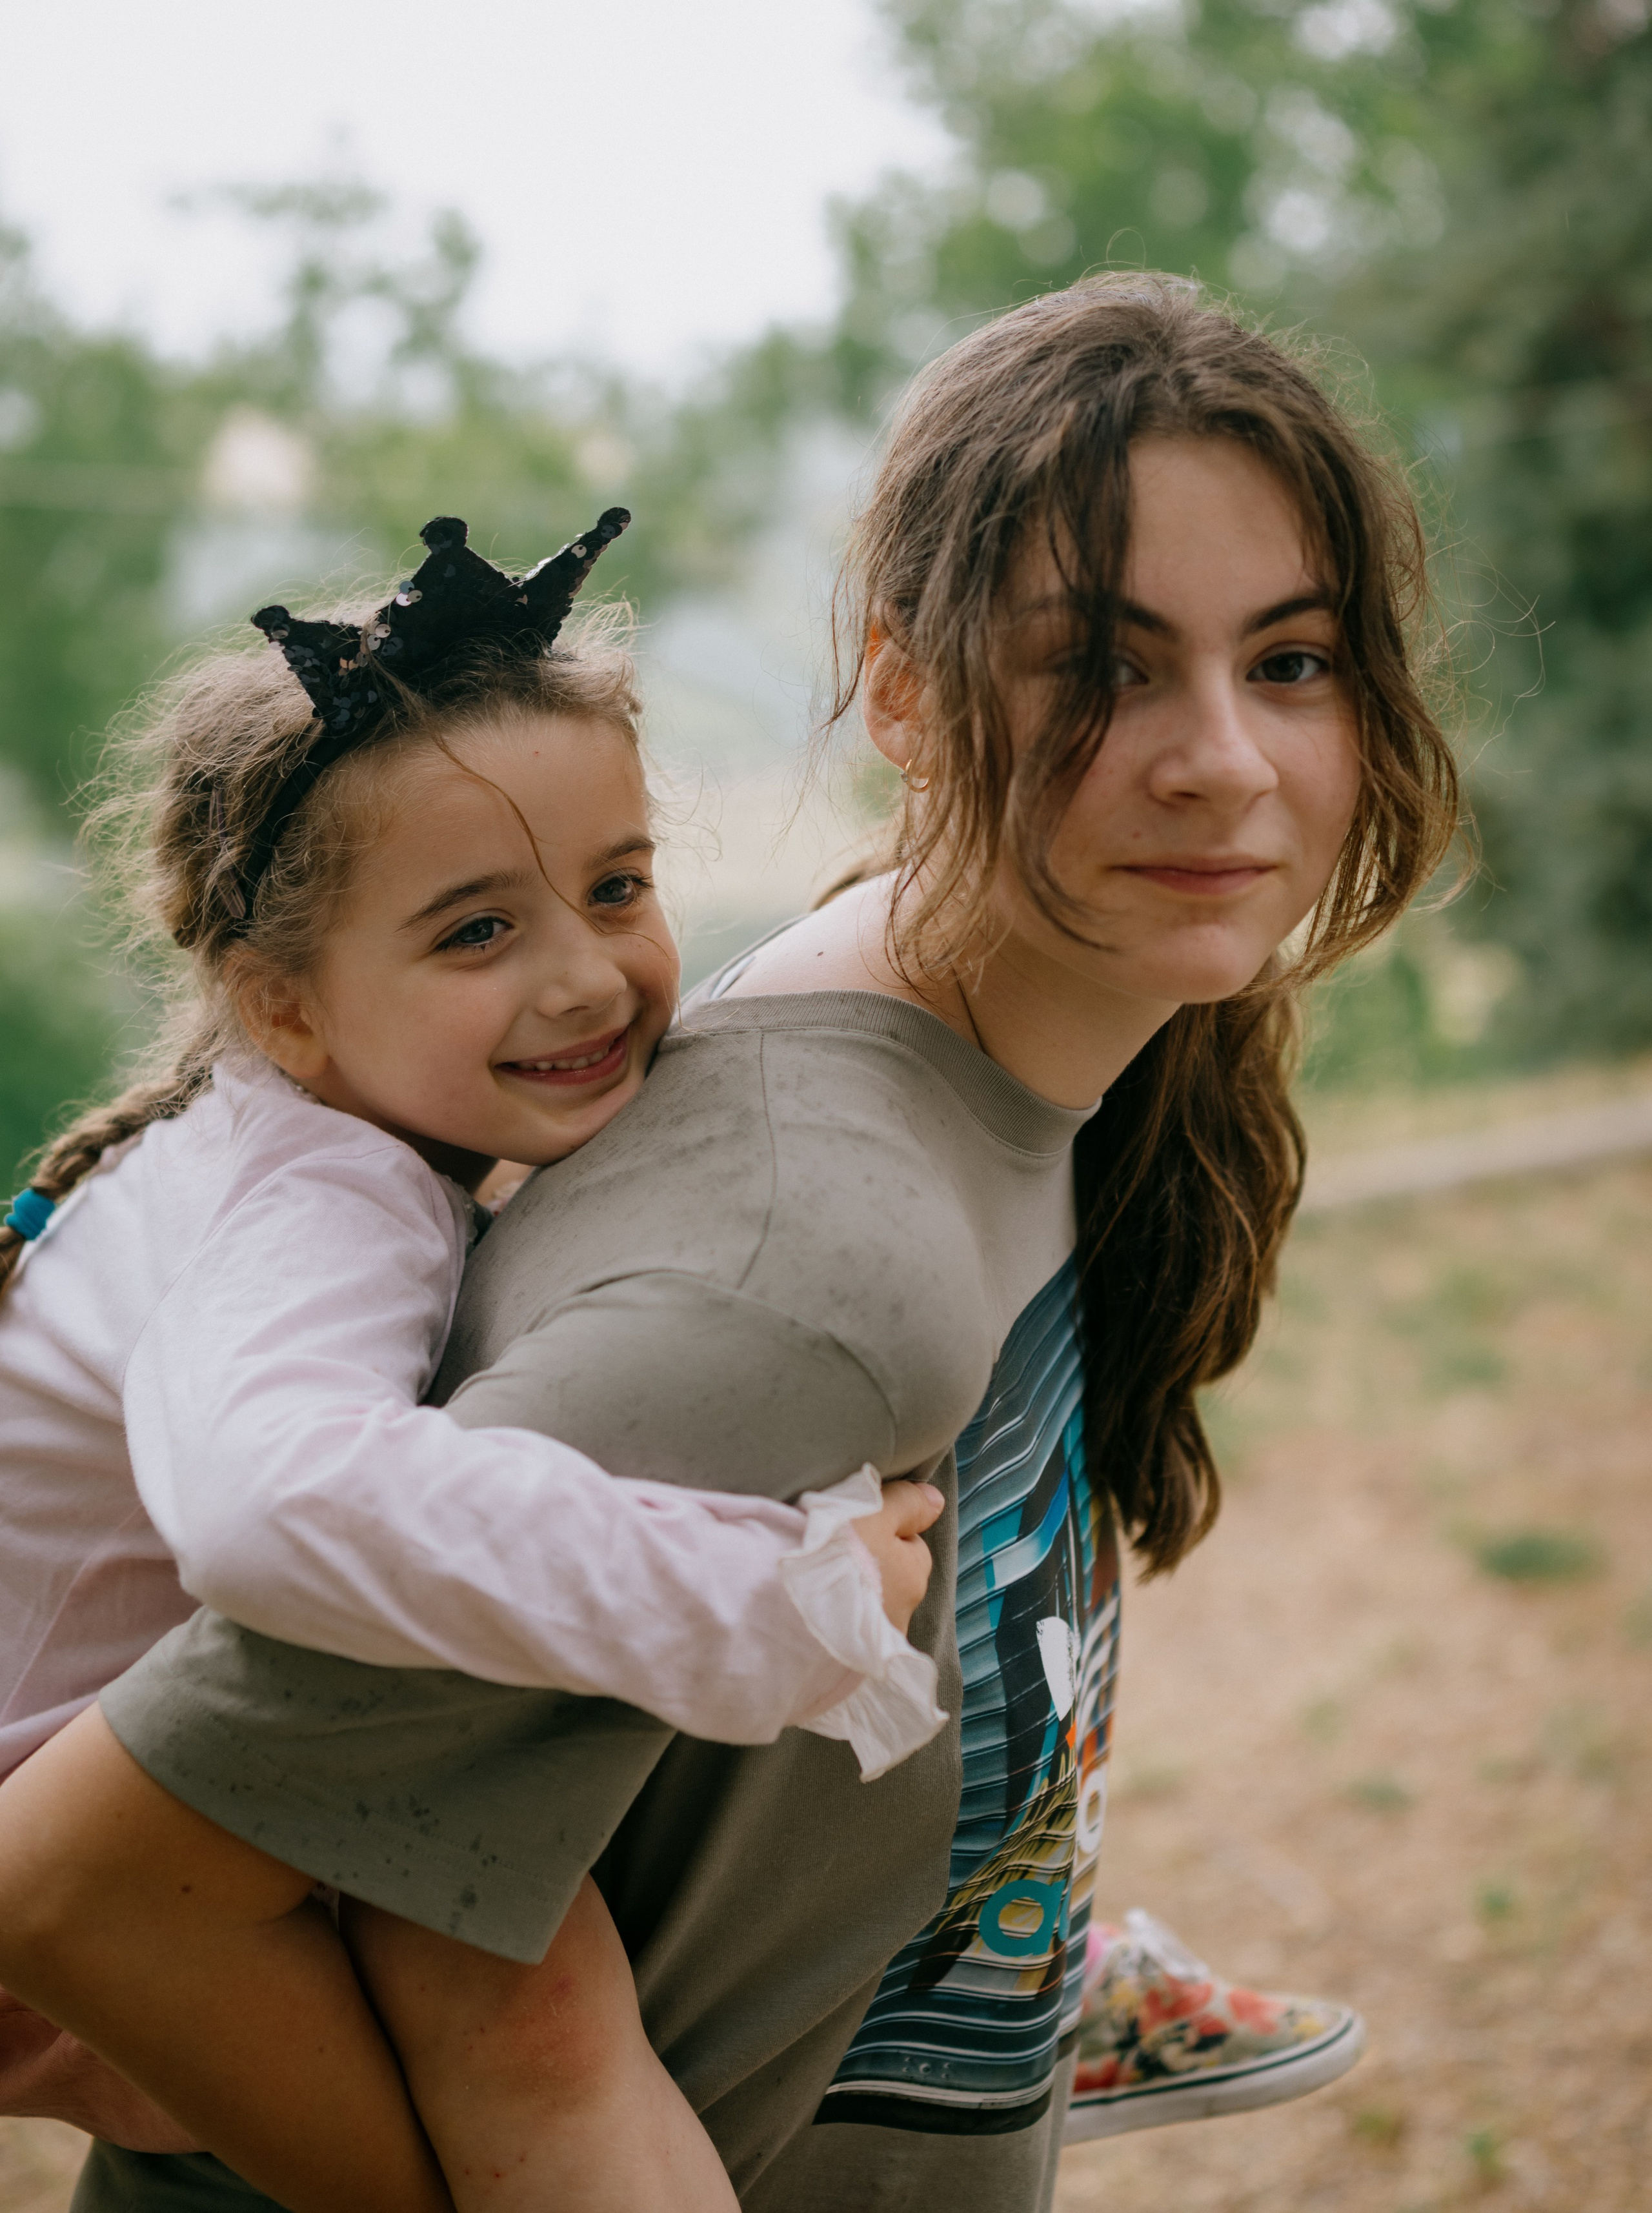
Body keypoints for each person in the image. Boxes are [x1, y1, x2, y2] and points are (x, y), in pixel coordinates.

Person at [0, 274, 1459, 2213]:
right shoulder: (800, 1267)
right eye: (1103, 669)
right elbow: (90, 1888)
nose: (1225, 761)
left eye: (1290, 661)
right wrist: (754, 1608)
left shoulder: (1010, 1053)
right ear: (910, 694)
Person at [0, 512, 949, 2213]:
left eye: (617, 888)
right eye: (476, 934)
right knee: (535, 2014)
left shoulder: (342, 1126)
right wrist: (758, 1602)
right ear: (282, 1005)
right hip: (71, 1838)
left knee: (523, 1975)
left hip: (140, 1783)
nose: (589, 976)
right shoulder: (316, 1197)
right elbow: (271, 1511)